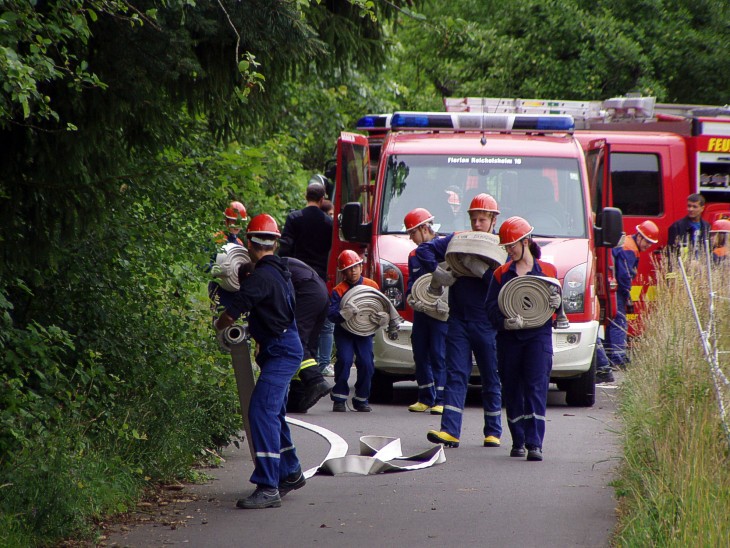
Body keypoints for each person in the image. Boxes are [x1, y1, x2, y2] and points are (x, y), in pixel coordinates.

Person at [214, 214, 305, 509]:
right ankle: (289, 472)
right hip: (285, 346)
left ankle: (268, 486)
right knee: (273, 412)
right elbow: (272, 312)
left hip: (280, 351)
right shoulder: (281, 272)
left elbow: (233, 311)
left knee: (260, 412)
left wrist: (220, 322)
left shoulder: (261, 278)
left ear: (249, 244)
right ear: (275, 243)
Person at [422, 193, 503, 449]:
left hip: (487, 323)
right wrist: (436, 271)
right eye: (474, 219)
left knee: (491, 375)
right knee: (456, 374)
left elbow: (506, 286)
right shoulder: (457, 240)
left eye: (482, 219)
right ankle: (450, 431)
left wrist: (483, 271)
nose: (477, 224)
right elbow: (423, 250)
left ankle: (493, 431)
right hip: (458, 321)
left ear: (493, 219)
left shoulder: (501, 247)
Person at [486, 216, 559, 462]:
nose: (509, 250)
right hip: (509, 339)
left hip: (538, 336)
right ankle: (518, 440)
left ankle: (535, 443)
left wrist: (556, 305)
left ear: (525, 241)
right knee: (513, 389)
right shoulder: (500, 274)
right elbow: (490, 309)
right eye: (506, 247)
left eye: (512, 245)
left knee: (536, 387)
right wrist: (504, 322)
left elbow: (556, 308)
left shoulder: (548, 271)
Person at [403, 208, 447, 414]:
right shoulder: (414, 255)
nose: (411, 238)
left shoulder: (444, 250)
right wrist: (411, 297)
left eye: (412, 233)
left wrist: (445, 303)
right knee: (420, 353)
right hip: (421, 313)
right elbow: (412, 282)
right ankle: (425, 397)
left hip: (440, 313)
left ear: (423, 228)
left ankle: (441, 398)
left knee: (438, 353)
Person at [328, 250, 380, 412]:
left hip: (364, 331)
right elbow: (331, 314)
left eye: (355, 267)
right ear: (343, 272)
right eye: (349, 269)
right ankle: (339, 398)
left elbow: (380, 304)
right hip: (344, 331)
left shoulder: (371, 286)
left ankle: (361, 399)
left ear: (360, 266)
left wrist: (383, 318)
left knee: (366, 363)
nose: (353, 271)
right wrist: (342, 314)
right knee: (344, 360)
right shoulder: (338, 290)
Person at [604, 220, 659, 368]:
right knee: (619, 322)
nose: (648, 246)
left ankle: (610, 354)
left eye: (650, 243)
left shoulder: (627, 243)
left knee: (613, 320)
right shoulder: (630, 249)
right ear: (639, 236)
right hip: (617, 290)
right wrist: (627, 294)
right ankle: (617, 357)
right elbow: (625, 275)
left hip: (611, 287)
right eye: (647, 242)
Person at [284, 257, 333, 414]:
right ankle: (297, 398)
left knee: (294, 340)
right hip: (321, 293)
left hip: (309, 294)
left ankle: (315, 381)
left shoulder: (267, 269)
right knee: (308, 345)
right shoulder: (284, 263)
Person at [279, 175, 333, 281]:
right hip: (319, 276)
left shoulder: (294, 218)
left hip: (296, 274)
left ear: (305, 196)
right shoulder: (328, 222)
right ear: (322, 199)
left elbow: (285, 249)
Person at [208, 201, 248, 315]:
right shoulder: (216, 239)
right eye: (234, 221)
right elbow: (201, 265)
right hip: (218, 290)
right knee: (219, 321)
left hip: (235, 291)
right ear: (226, 220)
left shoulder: (239, 244)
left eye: (239, 222)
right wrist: (218, 270)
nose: (236, 225)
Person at [317, 199, 336, 377]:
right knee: (327, 326)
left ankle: (317, 362)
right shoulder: (330, 236)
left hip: (317, 284)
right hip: (325, 284)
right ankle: (323, 362)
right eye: (330, 215)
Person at [667, 193, 711, 259]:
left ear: (702, 208)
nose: (691, 209)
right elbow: (671, 252)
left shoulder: (706, 226)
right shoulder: (677, 226)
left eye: (694, 207)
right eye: (689, 206)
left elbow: (708, 249)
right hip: (684, 267)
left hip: (702, 266)